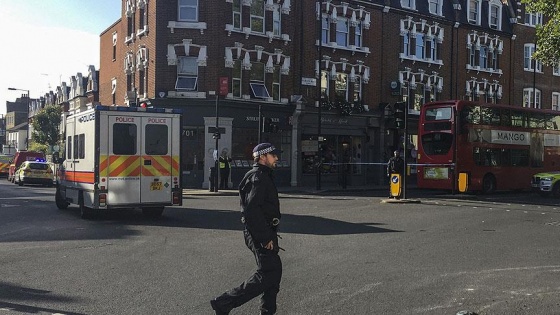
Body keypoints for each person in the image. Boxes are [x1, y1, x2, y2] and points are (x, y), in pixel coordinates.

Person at [211, 143, 283, 315]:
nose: (277, 158)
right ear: (263, 157)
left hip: (265, 231)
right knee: (269, 272)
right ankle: (224, 302)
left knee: (273, 272)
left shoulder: (264, 175)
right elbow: (251, 210)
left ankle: (267, 311)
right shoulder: (257, 177)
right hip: (259, 233)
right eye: (273, 155)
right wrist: (265, 238)